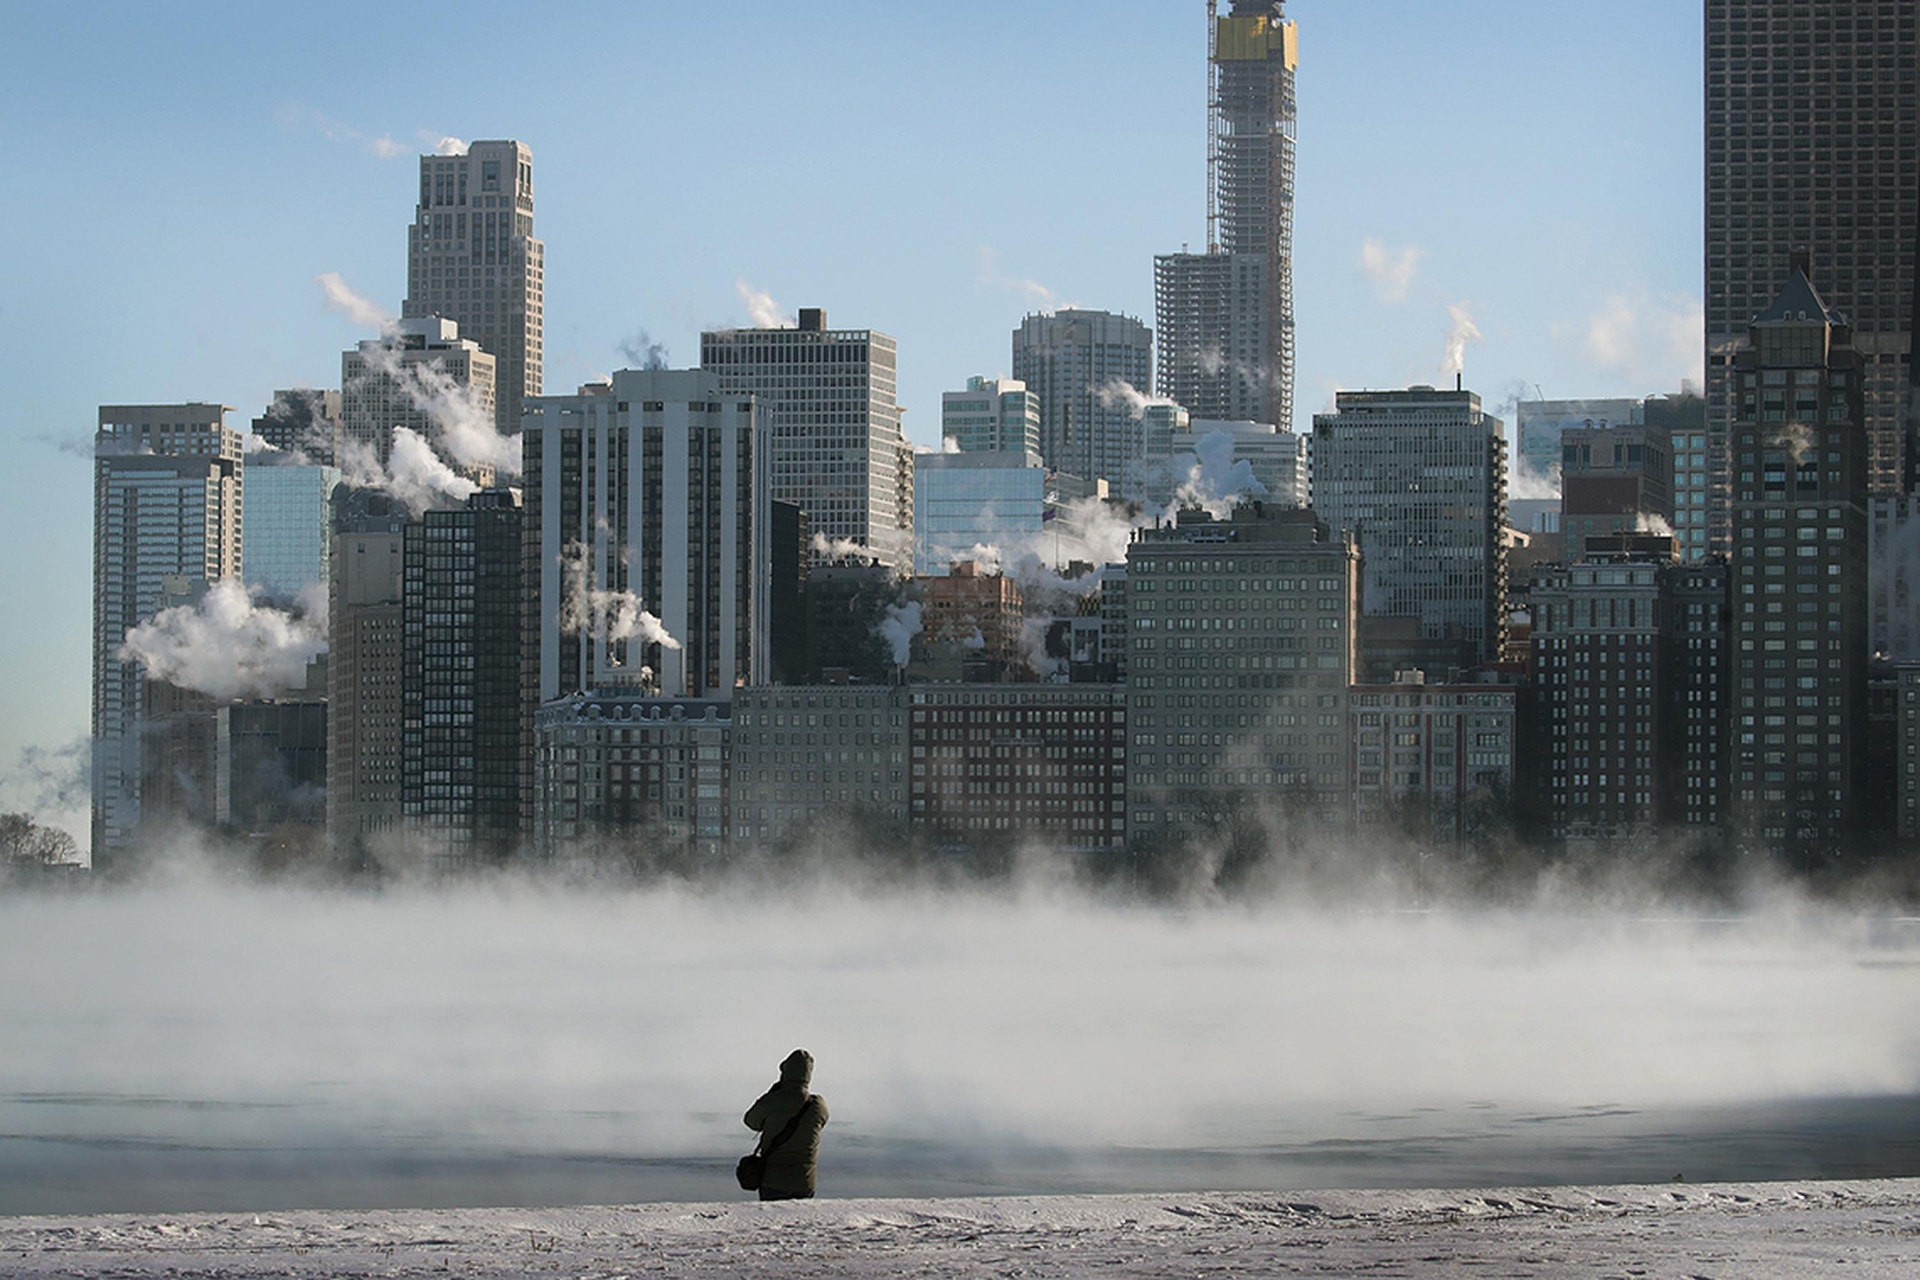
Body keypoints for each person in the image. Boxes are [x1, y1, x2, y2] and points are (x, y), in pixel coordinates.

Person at [743, 1048, 828, 1200]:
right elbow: (822, 1122)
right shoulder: (818, 1105)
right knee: (800, 1223)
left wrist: (771, 1094)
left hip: (773, 1180)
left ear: (785, 1072)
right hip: (805, 1182)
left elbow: (751, 1121)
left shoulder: (774, 1100)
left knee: (771, 1222)